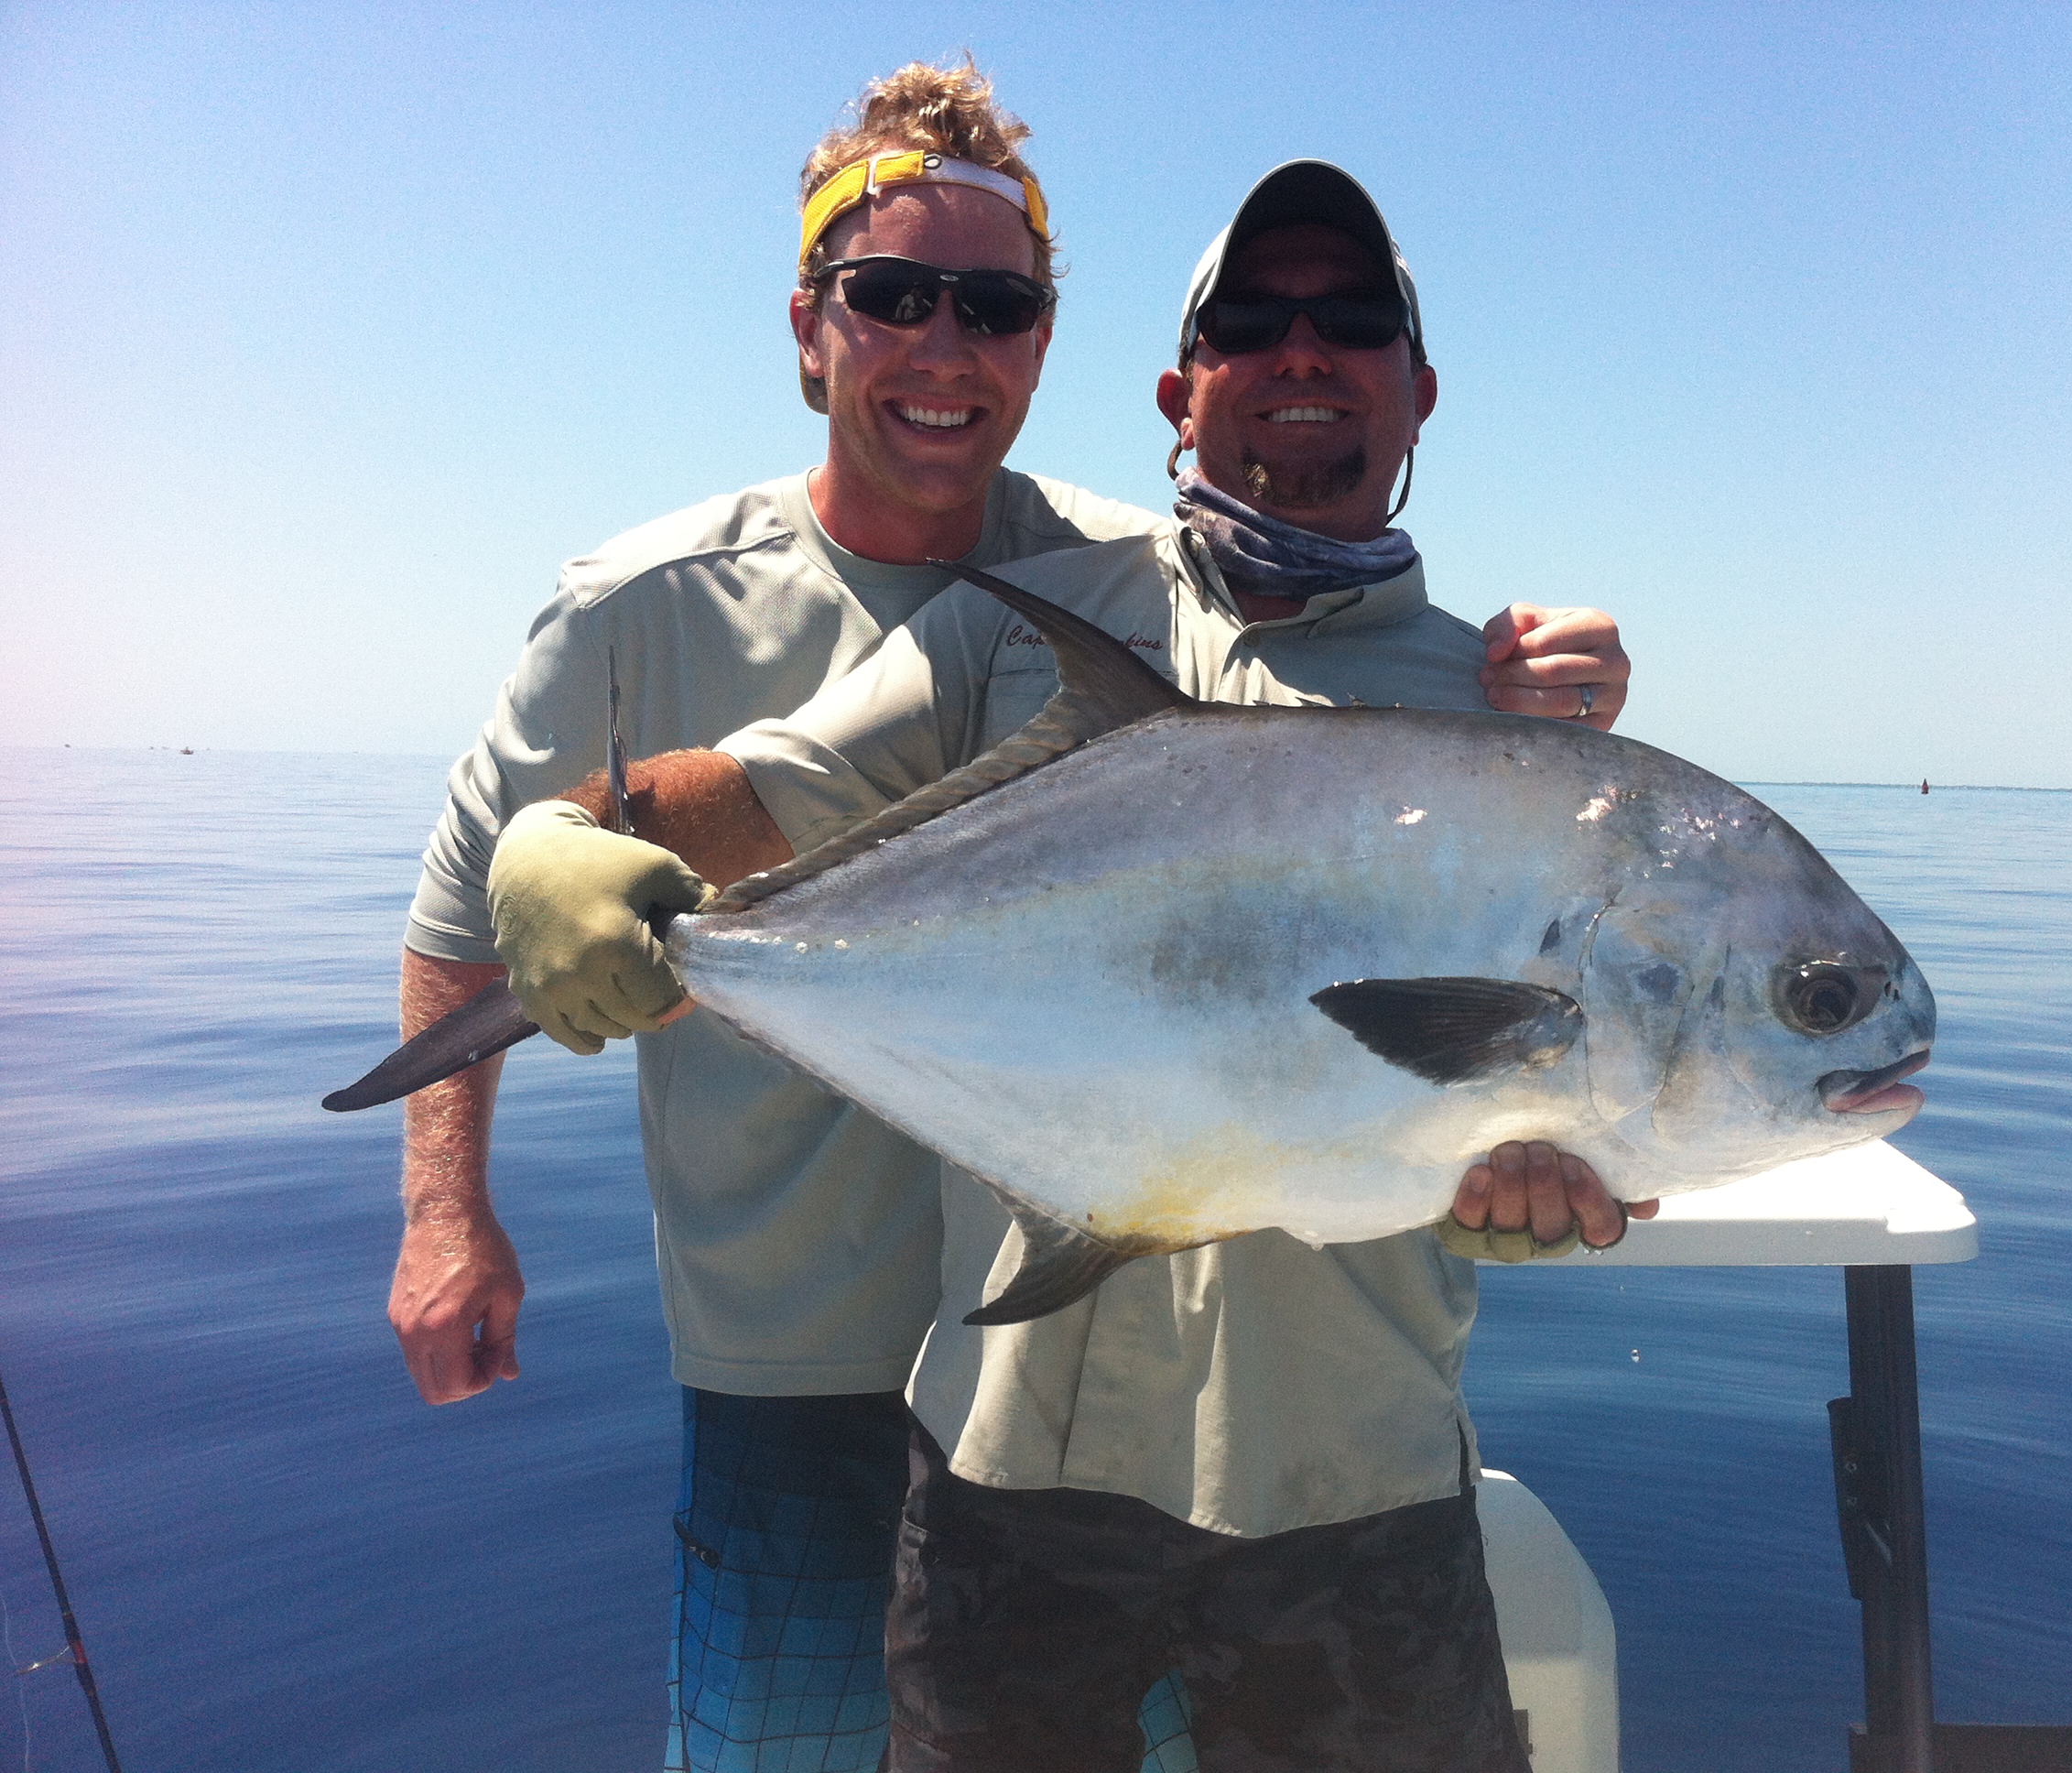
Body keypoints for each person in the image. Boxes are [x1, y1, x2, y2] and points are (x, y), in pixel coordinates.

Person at [396, 53, 1630, 1770]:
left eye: (1350, 322)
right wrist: (581, 836)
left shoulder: (1510, 724)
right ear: (1174, 390)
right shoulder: (1041, 620)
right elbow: (765, 793)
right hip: (1002, 1464)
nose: (1301, 356)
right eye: (1251, 325)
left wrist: (1550, 1161)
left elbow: (1559, 1064)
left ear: (1421, 391)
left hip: (1353, 1475)